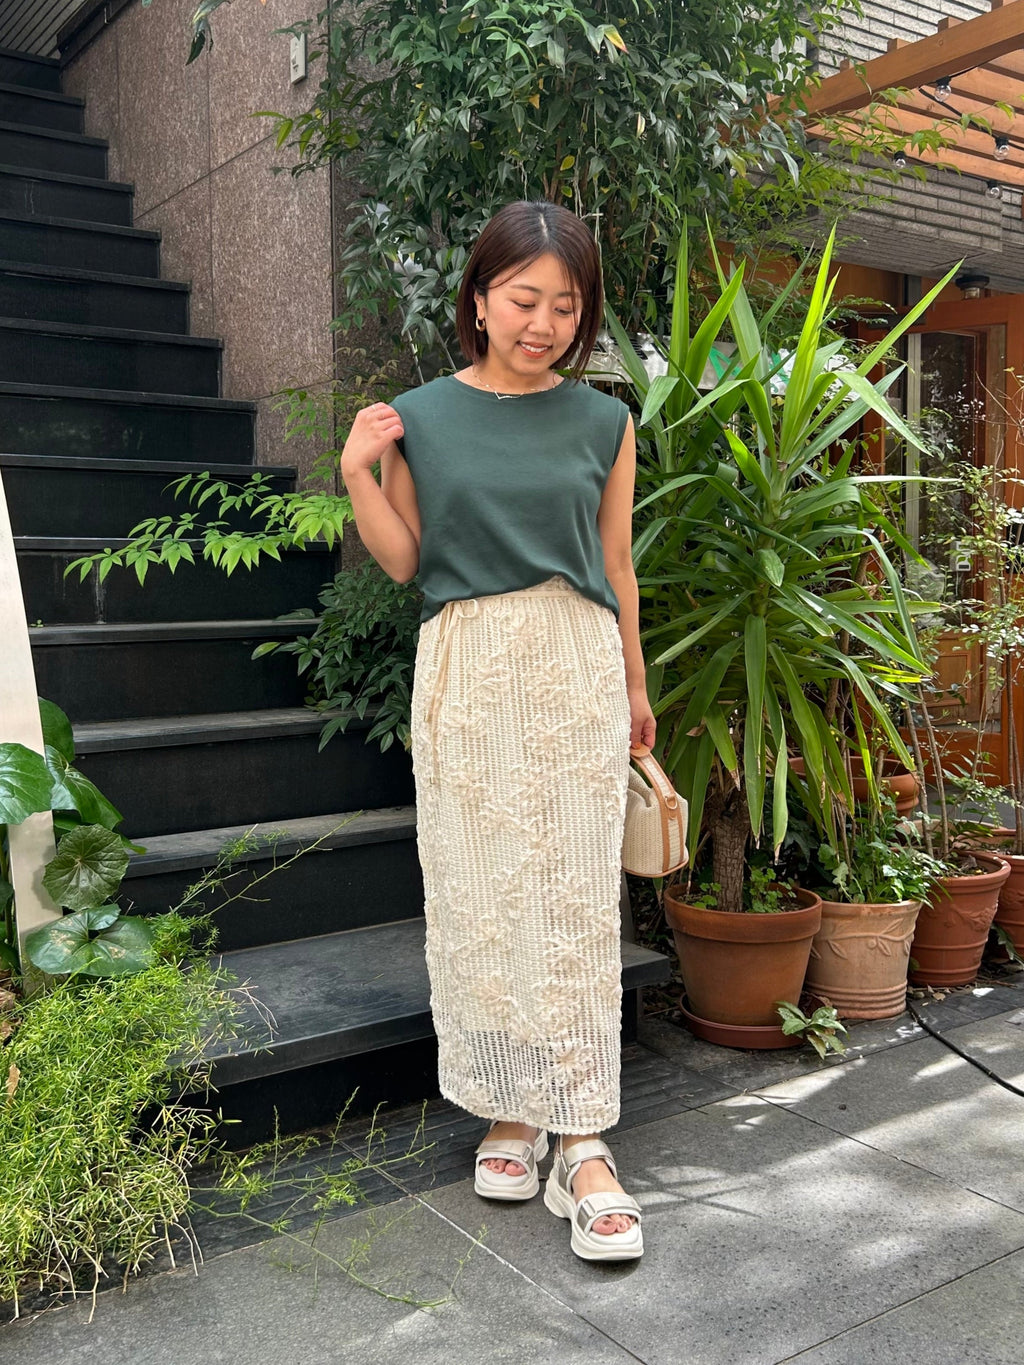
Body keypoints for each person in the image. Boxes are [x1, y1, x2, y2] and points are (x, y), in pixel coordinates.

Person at [340, 200, 655, 1263]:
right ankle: (510, 1107)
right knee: (480, 895)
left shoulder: (604, 423)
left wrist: (635, 686)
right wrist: (357, 471)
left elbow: (616, 566)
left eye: (566, 306)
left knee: (573, 898)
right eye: (525, 300)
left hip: (574, 669)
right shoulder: (419, 418)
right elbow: (405, 561)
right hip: (467, 671)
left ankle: (584, 1140)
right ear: (479, 300)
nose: (544, 323)